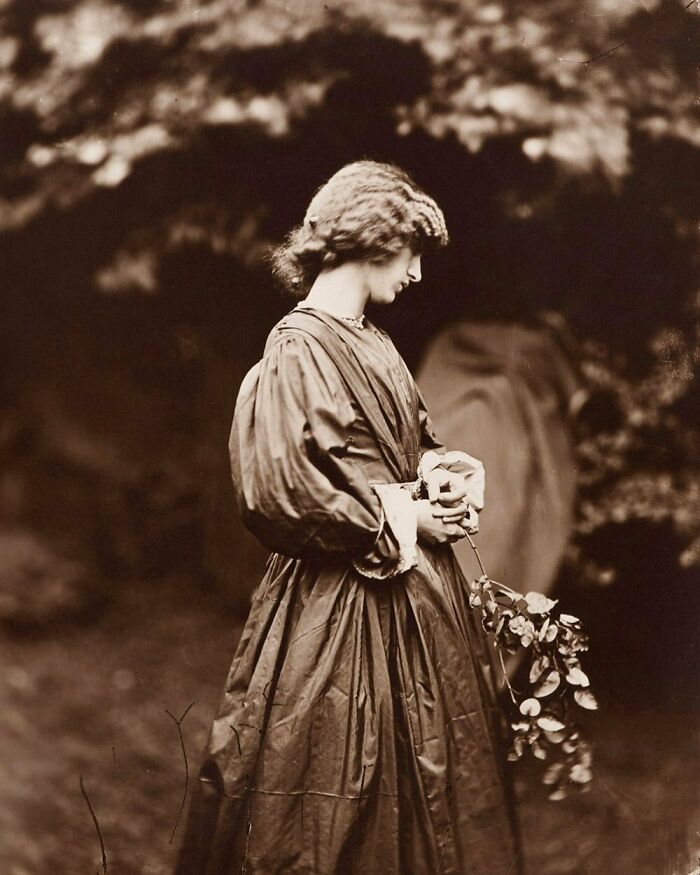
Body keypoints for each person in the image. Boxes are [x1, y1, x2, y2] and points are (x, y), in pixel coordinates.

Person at [175, 161, 522, 874]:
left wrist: (436, 473)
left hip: (420, 606)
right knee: (327, 799)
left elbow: (409, 442)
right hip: (336, 613)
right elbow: (282, 489)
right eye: (412, 253)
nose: (418, 274)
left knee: (436, 793)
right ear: (373, 239)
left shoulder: (377, 342)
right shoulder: (297, 347)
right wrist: (403, 518)